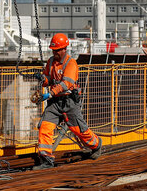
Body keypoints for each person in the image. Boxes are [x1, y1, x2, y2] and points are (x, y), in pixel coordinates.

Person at [32, 33, 103, 170]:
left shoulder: (71, 63)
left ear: (64, 48)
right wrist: (42, 78)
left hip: (69, 102)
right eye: (54, 50)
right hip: (55, 103)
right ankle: (46, 160)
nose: (55, 52)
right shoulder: (51, 62)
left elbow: (66, 84)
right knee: (45, 127)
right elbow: (49, 79)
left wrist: (50, 93)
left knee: (79, 131)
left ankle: (96, 144)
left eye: (57, 50)